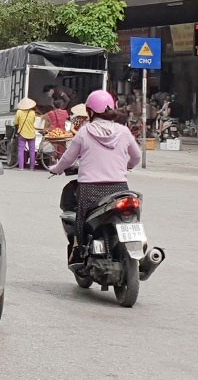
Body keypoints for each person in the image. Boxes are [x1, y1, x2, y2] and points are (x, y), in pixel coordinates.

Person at [49, 90, 141, 264]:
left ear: (90, 112)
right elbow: (136, 157)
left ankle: (80, 251)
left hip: (91, 190)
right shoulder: (123, 131)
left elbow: (68, 159)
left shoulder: (84, 132)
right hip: (119, 189)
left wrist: (56, 169)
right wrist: (127, 165)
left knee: (81, 222)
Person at [14, 98, 39, 170]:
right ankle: (32, 167)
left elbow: (15, 122)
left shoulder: (19, 112)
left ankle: (21, 167)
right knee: (32, 150)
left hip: (22, 133)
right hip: (32, 133)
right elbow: (33, 122)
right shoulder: (33, 113)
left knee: (21, 150)